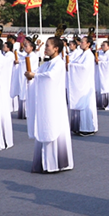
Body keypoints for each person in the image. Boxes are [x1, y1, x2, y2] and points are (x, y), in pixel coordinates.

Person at [25, 37, 74, 173]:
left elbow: (50, 77)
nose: (45, 48)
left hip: (54, 104)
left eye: (47, 46)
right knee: (44, 126)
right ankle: (44, 162)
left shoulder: (58, 63)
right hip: (45, 103)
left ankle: (57, 162)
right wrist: (31, 77)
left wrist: (34, 75)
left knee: (54, 128)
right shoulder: (46, 64)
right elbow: (39, 74)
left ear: (56, 48)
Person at [68, 37, 98, 136]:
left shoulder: (89, 55)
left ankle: (87, 128)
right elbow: (73, 62)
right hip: (80, 82)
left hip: (85, 84)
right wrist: (70, 64)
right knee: (78, 103)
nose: (80, 44)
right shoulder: (82, 54)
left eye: (82, 42)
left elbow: (84, 67)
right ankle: (78, 126)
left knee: (85, 104)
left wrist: (71, 66)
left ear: (88, 44)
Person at [11, 37, 39, 119]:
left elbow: (27, 62)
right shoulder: (26, 55)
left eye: (26, 46)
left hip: (31, 78)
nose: (25, 47)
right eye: (24, 46)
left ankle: (28, 113)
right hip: (24, 78)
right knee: (22, 93)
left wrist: (19, 62)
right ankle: (23, 113)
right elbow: (21, 59)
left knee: (28, 95)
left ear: (32, 47)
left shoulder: (33, 56)